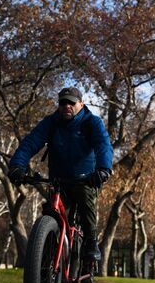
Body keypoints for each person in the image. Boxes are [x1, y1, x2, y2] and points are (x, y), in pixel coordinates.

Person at [8, 87, 113, 261]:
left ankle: (91, 242)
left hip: (86, 179)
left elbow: (103, 145)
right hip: (58, 180)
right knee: (51, 213)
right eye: (63, 103)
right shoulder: (51, 122)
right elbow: (30, 143)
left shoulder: (91, 122)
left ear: (81, 103)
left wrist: (103, 169)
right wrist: (17, 165)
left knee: (86, 203)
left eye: (71, 102)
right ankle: (47, 257)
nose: (67, 106)